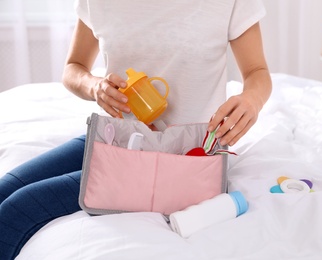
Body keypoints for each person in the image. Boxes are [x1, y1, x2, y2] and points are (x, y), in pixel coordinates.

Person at [0, 0, 272, 259]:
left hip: (185, 156)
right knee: (6, 189)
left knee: (16, 210)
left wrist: (251, 101)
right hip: (115, 136)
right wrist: (95, 87)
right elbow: (74, 68)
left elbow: (257, 71)